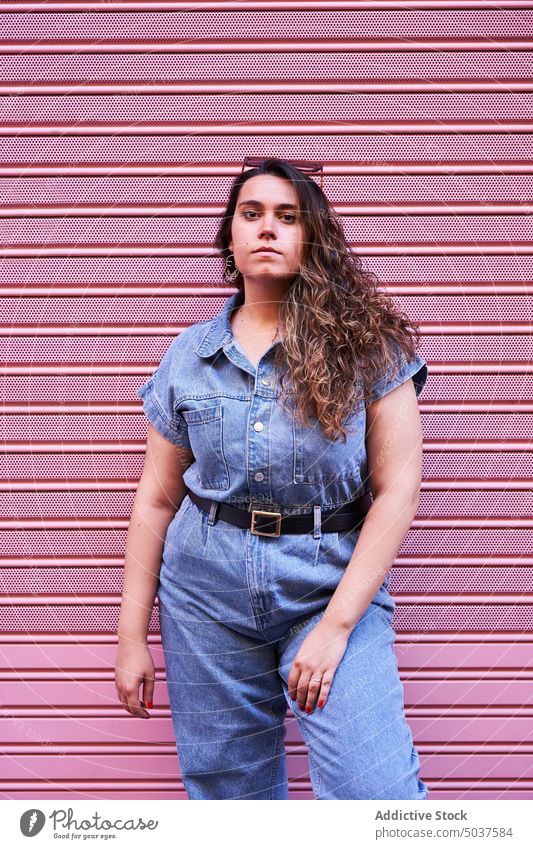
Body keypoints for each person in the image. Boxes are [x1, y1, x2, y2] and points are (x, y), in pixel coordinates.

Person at [115, 156, 430, 801]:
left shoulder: (369, 350)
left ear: (311, 236)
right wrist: (130, 637)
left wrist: (338, 627)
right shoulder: (189, 357)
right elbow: (156, 499)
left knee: (380, 797)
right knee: (233, 802)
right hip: (205, 597)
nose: (267, 228)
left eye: (288, 217)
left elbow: (398, 489)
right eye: (251, 214)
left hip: (327, 587)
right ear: (230, 236)